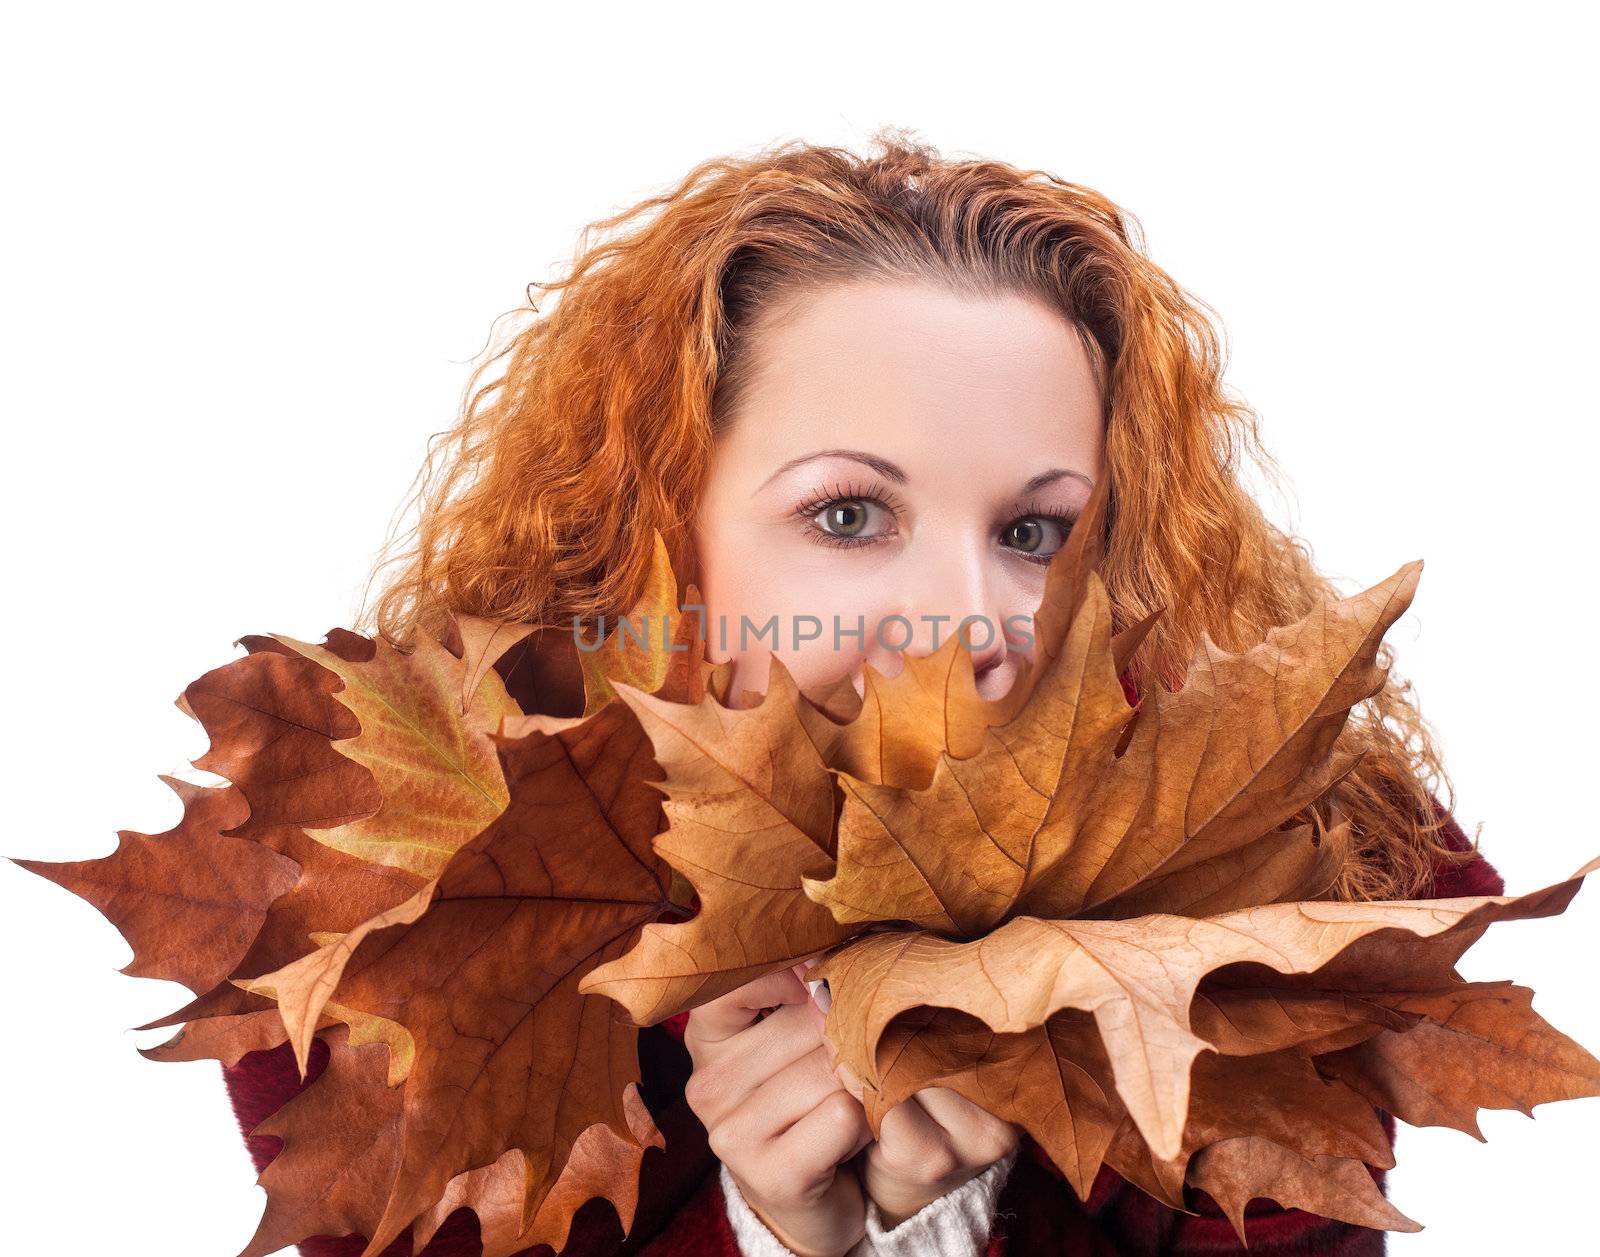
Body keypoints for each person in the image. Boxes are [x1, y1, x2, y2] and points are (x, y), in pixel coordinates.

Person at [221, 129, 1502, 1256]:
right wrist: (774, 1239)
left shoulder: (1265, 895)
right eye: (847, 514)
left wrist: (945, 1227)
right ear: (651, 532)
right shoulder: (399, 912)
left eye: (1035, 533)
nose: (966, 617)